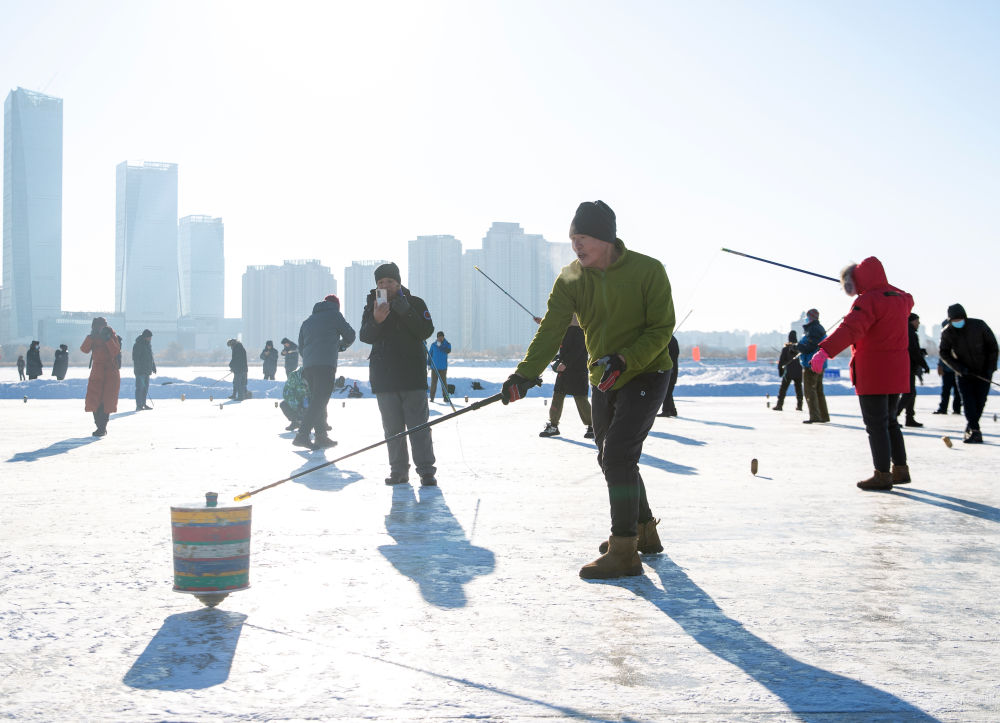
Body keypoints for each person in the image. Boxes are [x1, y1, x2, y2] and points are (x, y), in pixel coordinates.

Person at [502, 200, 674, 580]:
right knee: (610, 456)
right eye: (573, 239)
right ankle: (643, 530)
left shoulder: (648, 271)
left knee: (616, 455)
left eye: (583, 238)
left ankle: (624, 549)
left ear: (605, 237)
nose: (576, 245)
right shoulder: (570, 278)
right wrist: (524, 375)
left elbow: (661, 329)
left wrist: (625, 359)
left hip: (646, 372)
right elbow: (551, 330)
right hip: (604, 377)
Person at [810, 257, 912, 490]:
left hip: (874, 371)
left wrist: (824, 351)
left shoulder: (868, 301)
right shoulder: (899, 299)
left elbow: (851, 329)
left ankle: (882, 475)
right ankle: (901, 470)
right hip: (896, 369)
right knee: (890, 422)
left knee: (876, 424)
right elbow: (899, 296)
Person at [359, 262, 438, 486]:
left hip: (412, 375)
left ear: (399, 283)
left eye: (390, 282)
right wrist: (376, 320)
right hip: (384, 377)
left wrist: (405, 311)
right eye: (381, 282)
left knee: (419, 427)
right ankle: (398, 471)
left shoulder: (415, 302)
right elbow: (365, 336)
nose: (385, 286)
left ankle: (426, 471)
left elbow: (426, 330)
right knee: (392, 429)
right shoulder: (372, 305)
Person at [293, 294, 356, 450]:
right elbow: (350, 335)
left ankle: (321, 436)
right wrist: (341, 346)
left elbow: (300, 346)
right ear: (336, 305)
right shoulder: (335, 315)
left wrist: (310, 358)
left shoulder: (307, 321)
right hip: (325, 365)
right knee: (320, 400)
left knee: (317, 399)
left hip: (309, 366)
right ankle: (302, 435)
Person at [938, 303, 998, 444]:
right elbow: (944, 353)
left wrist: (990, 368)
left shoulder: (979, 326)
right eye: (954, 320)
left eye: (960, 319)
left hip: (983, 372)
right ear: (950, 320)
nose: (957, 322)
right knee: (968, 402)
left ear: (964, 317)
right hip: (964, 374)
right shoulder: (947, 332)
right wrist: (959, 368)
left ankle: (971, 427)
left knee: (979, 402)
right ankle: (975, 430)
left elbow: (993, 347)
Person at [539, 315, 594, 439]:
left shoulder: (581, 330)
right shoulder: (565, 328)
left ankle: (593, 426)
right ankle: (553, 426)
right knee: (557, 396)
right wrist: (542, 322)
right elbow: (555, 325)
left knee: (581, 399)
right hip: (564, 370)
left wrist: (565, 363)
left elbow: (578, 350)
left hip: (578, 370)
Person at [80, 317, 121, 437]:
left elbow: (115, 351)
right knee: (94, 400)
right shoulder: (93, 337)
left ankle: (102, 427)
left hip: (110, 372)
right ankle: (99, 426)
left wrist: (108, 339)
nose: (98, 329)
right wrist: (90, 337)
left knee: (106, 401)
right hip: (97, 371)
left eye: (99, 326)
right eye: (95, 327)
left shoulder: (112, 335)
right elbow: (84, 349)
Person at [894, 313, 929, 427]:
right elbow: (913, 351)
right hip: (907, 367)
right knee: (909, 393)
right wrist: (924, 364)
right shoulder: (910, 332)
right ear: (911, 321)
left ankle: (909, 418)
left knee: (911, 393)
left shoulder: (908, 331)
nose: (918, 323)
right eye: (917, 321)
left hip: (908, 367)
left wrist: (920, 352)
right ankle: (893, 417)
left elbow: (913, 350)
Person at [797, 309, 830, 424]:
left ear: (811, 318)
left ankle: (815, 416)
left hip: (811, 364)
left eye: (807, 317)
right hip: (819, 364)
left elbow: (809, 347)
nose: (806, 319)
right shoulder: (817, 328)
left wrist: (797, 347)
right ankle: (823, 415)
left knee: (810, 390)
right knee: (818, 390)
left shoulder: (813, 329)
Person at [933, 320, 963, 416]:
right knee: (947, 391)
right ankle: (945, 408)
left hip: (956, 370)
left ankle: (955, 409)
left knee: (956, 391)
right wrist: (940, 365)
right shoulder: (945, 338)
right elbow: (942, 355)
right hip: (949, 370)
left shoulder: (957, 337)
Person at [773, 331, 803, 412]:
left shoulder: (785, 349)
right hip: (799, 372)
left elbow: (781, 361)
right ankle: (799, 405)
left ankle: (779, 405)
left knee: (783, 389)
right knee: (799, 389)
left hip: (788, 372)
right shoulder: (800, 348)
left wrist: (780, 371)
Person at [132, 329, 156, 411]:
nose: (150, 339)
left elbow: (150, 357)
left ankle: (143, 404)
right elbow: (136, 358)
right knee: (140, 388)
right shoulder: (138, 345)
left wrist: (153, 367)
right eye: (149, 337)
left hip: (147, 371)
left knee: (145, 388)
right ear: (145, 337)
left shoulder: (148, 345)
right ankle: (139, 405)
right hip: (140, 372)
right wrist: (138, 370)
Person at [656, 335, 681, 417]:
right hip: (673, 371)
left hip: (670, 371)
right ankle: (672, 410)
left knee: (667, 391)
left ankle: (666, 410)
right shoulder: (673, 340)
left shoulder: (669, 340)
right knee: (669, 391)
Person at [280, 367, 309, 431]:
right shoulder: (293, 376)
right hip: (296, 402)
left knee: (320, 403)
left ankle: (321, 424)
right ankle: (295, 422)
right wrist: (297, 406)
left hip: (308, 404)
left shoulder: (315, 376)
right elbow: (287, 393)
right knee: (283, 404)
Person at [428, 331, 452, 403]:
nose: (440, 338)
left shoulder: (447, 344)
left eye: (441, 337)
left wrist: (441, 346)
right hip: (434, 367)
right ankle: (432, 398)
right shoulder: (433, 345)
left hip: (443, 368)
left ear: (443, 337)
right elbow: (430, 355)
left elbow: (448, 350)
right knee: (433, 383)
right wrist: (428, 364)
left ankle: (446, 397)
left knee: (444, 384)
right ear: (437, 337)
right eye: (439, 337)